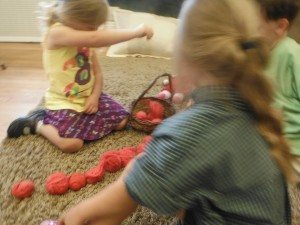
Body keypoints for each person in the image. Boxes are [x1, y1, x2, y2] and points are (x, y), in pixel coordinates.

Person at [58, 0, 295, 224]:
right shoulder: (255, 107)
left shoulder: (189, 133)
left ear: (186, 55)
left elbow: (116, 196)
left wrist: (74, 214)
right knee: (143, 168)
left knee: (134, 177)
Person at [6, 0, 153, 153]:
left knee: (122, 121)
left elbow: (98, 73)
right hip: (63, 102)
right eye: (91, 27)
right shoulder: (56, 33)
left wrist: (95, 97)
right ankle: (38, 124)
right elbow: (94, 38)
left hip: (88, 97)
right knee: (72, 144)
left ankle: (67, 119)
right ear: (73, 17)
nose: (95, 31)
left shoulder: (84, 41)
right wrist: (136, 32)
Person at [256, 0, 300, 179]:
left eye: (256, 26)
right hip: (262, 137)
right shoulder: (257, 52)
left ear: (281, 26)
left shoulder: (292, 53)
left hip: (290, 144)